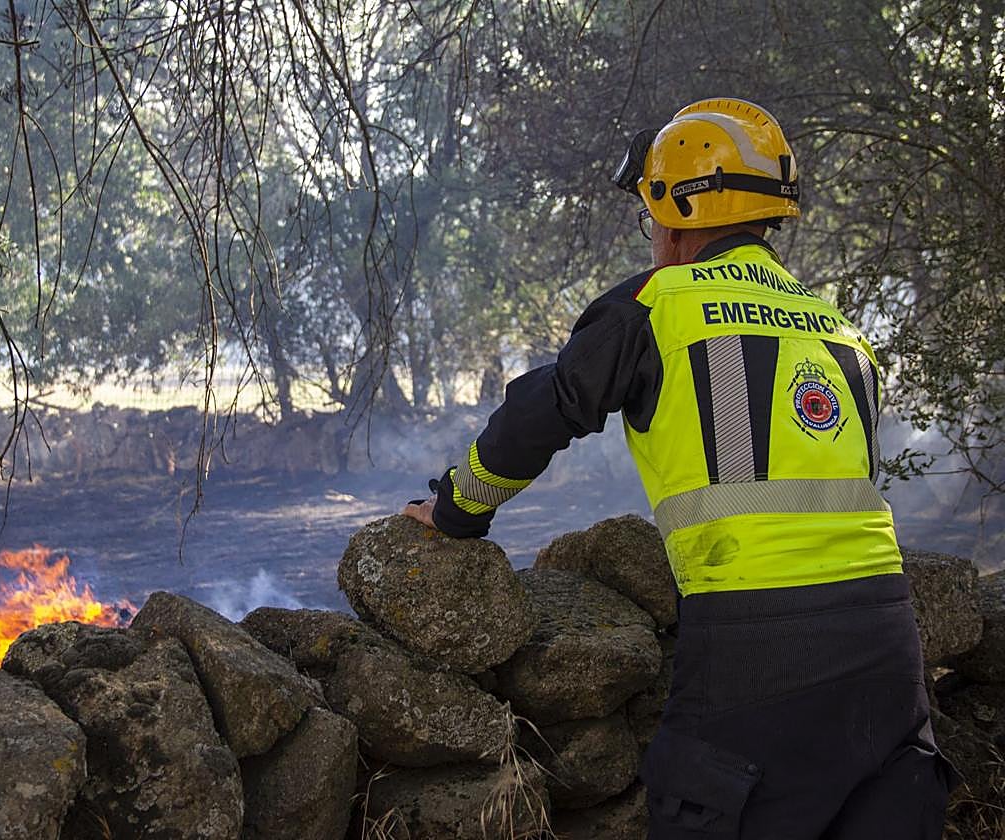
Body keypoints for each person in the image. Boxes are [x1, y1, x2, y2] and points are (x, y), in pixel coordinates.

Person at [402, 98, 954, 839]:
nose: (652, 235)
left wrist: (454, 512)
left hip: (753, 647)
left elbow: (543, 412)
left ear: (678, 213)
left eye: (649, 214)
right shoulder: (840, 331)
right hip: (888, 643)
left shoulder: (655, 305)